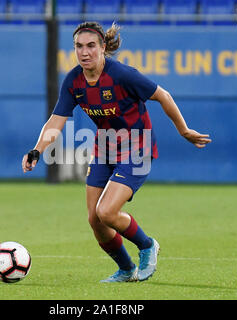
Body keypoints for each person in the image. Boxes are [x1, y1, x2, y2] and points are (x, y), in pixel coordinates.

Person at [22, 22, 211, 282]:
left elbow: (163, 96)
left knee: (107, 212)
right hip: (105, 148)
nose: (84, 52)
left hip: (136, 148)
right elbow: (56, 120)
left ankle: (147, 245)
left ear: (103, 48)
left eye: (90, 46)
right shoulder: (74, 80)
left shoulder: (122, 75)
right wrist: (37, 150)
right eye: (78, 46)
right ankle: (126, 269)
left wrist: (184, 130)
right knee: (95, 220)